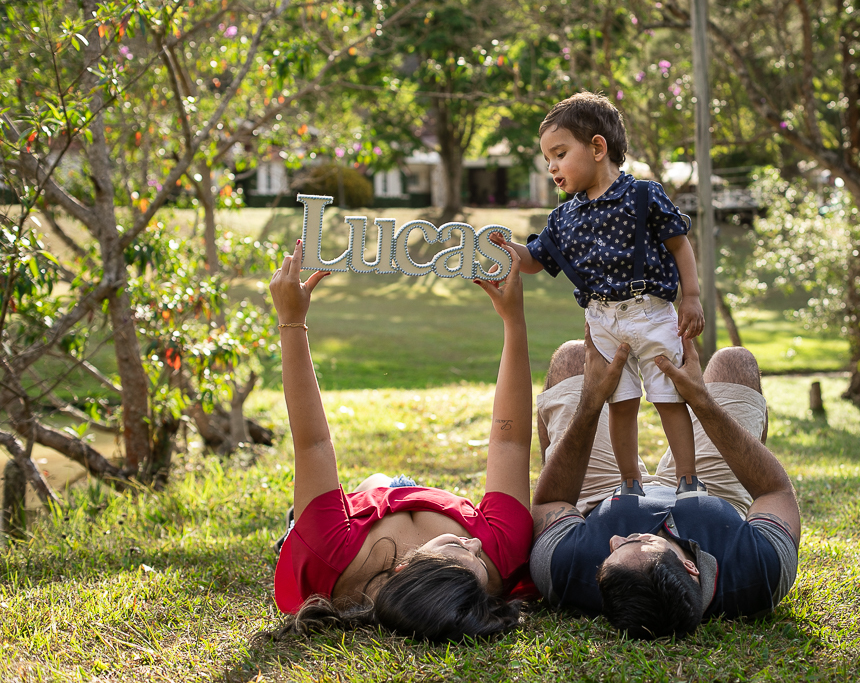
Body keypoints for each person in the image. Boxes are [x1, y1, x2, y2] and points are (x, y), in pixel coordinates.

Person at [269, 237, 536, 642]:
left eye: (463, 552)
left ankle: (293, 522)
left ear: (404, 569)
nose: (477, 545)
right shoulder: (502, 551)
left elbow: (313, 445)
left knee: (372, 482)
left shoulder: (329, 555)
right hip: (425, 504)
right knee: (383, 486)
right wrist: (514, 321)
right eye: (479, 562)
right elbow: (510, 443)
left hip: (361, 514)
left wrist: (291, 321)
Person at [528, 330, 801, 639]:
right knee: (735, 361)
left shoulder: (564, 569)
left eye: (607, 557)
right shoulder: (762, 570)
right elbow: (774, 491)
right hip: (716, 494)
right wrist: (700, 399)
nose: (615, 540)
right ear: (691, 569)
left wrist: (592, 401)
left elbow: (551, 502)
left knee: (573, 357)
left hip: (603, 495)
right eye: (635, 543)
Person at [504, 91, 707, 499]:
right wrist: (504, 249)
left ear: (598, 147)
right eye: (547, 159)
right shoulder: (563, 217)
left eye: (559, 154)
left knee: (670, 393)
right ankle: (629, 482)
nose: (552, 167)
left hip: (650, 311)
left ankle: (688, 480)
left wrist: (691, 296)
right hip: (602, 319)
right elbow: (534, 260)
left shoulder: (644, 195)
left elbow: (678, 243)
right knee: (620, 400)